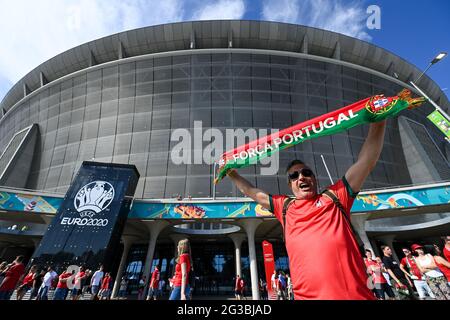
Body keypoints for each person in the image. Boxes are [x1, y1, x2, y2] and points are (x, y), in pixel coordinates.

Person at [227, 121, 389, 299]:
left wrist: (379, 121)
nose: (301, 177)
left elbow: (366, 162)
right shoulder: (285, 207)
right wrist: (230, 173)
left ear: (314, 178)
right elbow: (251, 192)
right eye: (294, 176)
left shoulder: (335, 197)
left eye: (306, 173)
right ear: (290, 184)